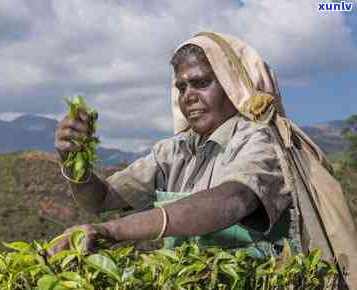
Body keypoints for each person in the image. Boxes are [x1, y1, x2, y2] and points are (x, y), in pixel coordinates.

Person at [54, 32, 356, 289]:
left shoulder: (260, 140)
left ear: (232, 85)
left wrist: (113, 231)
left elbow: (232, 200)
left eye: (201, 83)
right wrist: (72, 160)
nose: (188, 96)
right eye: (181, 87)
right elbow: (102, 198)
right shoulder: (173, 152)